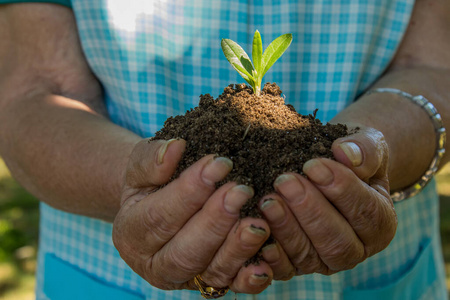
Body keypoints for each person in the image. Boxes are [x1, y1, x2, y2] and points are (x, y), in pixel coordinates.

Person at [0, 0, 448, 299]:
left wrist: (368, 155)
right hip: (103, 274)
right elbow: (36, 90)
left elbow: (433, 64)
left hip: (379, 277)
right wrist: (141, 187)